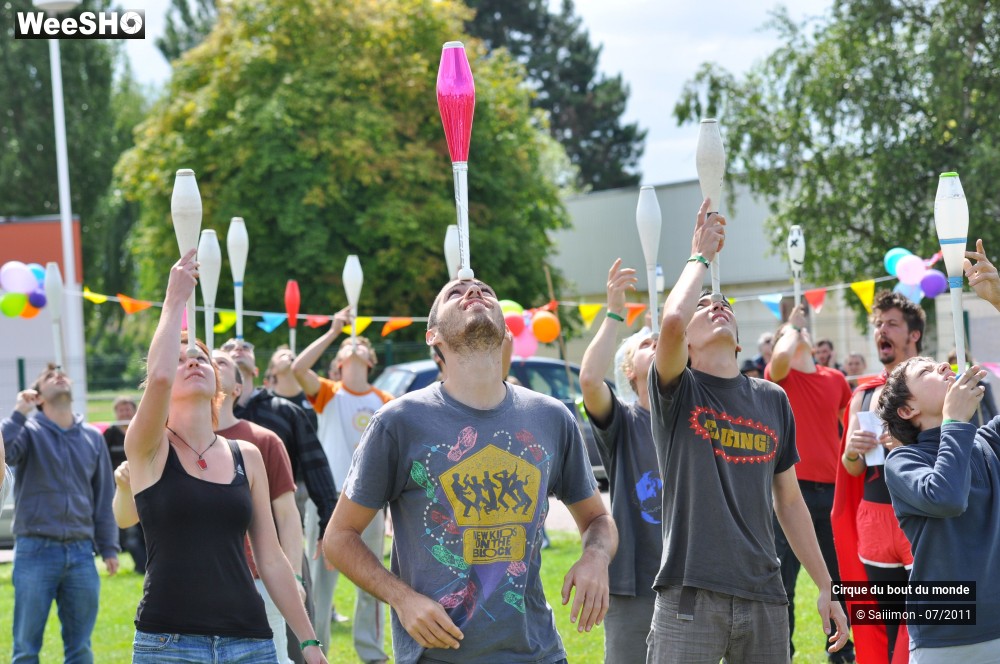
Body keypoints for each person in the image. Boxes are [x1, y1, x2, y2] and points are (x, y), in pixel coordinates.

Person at [324, 277, 617, 664]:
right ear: (433, 337)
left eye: (486, 291)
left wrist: (594, 558)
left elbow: (598, 518)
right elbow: (338, 538)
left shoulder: (551, 417)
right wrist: (403, 599)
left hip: (537, 653)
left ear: (505, 328)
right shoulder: (398, 422)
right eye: (455, 293)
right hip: (437, 655)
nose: (475, 293)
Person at [647, 198, 847, 662]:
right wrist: (699, 256)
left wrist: (825, 584)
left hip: (764, 594)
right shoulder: (678, 391)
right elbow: (672, 321)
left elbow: (790, 500)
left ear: (739, 340)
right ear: (686, 346)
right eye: (704, 305)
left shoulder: (771, 398)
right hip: (689, 596)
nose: (716, 304)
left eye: (723, 303)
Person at [122, 249, 325, 663]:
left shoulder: (246, 455)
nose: (192, 361)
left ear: (222, 381)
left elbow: (271, 558)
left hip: (249, 642)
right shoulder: (148, 449)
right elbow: (158, 378)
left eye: (199, 356)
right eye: (180, 359)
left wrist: (309, 642)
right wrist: (174, 298)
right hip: (168, 644)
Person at [873, 238, 1000, 662]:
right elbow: (946, 497)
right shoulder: (901, 461)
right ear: (908, 408)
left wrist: (999, 301)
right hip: (945, 641)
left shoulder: (984, 440)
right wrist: (954, 424)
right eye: (927, 369)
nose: (944, 366)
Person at [292, 309, 393, 663]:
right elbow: (297, 369)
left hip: (371, 501)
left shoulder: (385, 402)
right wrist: (335, 331)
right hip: (329, 499)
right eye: (348, 347)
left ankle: (372, 652)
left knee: (374, 579)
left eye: (360, 344)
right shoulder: (329, 392)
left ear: (371, 359)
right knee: (321, 582)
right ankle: (316, 652)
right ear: (337, 363)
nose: (354, 347)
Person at [2, 364, 119, 664]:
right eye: (49, 376)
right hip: (34, 551)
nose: (59, 376)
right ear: (38, 397)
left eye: (62, 373)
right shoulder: (27, 432)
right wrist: (19, 412)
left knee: (80, 649)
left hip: (82, 554)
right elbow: (5, 452)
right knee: (26, 649)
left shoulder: (93, 437)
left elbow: (103, 497)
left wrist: (108, 547)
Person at [833, 289, 924, 664]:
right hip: (873, 516)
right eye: (877, 324)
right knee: (882, 618)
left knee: (923, 617)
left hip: (917, 515)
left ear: (913, 334)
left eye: (891, 323)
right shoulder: (864, 393)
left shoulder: (932, 384)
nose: (881, 330)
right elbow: (853, 467)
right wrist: (852, 449)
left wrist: (904, 444)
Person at [579, 258, 662, 664]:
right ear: (630, 372)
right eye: (648, 344)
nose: (658, 344)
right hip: (636, 583)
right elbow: (591, 381)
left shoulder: (700, 423)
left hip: (695, 583)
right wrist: (614, 311)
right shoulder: (625, 423)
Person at [765, 304, 855, 662]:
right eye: (788, 335)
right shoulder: (780, 375)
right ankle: (780, 652)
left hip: (833, 494)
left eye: (801, 331)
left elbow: (850, 428)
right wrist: (792, 326)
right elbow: (782, 357)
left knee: (838, 578)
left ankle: (842, 650)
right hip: (790, 495)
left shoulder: (834, 379)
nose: (799, 335)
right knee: (782, 583)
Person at [103, 395, 146, 574]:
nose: (124, 412)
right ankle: (140, 566)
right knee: (129, 533)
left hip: (143, 487)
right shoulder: (110, 435)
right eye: (121, 410)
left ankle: (146, 565)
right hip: (121, 491)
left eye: (127, 409)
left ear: (135, 411)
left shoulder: (142, 432)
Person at [946, 348, 999, 426]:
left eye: (960, 364)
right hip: (963, 427)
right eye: (954, 365)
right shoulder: (950, 387)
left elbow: (992, 409)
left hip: (981, 425)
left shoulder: (982, 383)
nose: (958, 367)